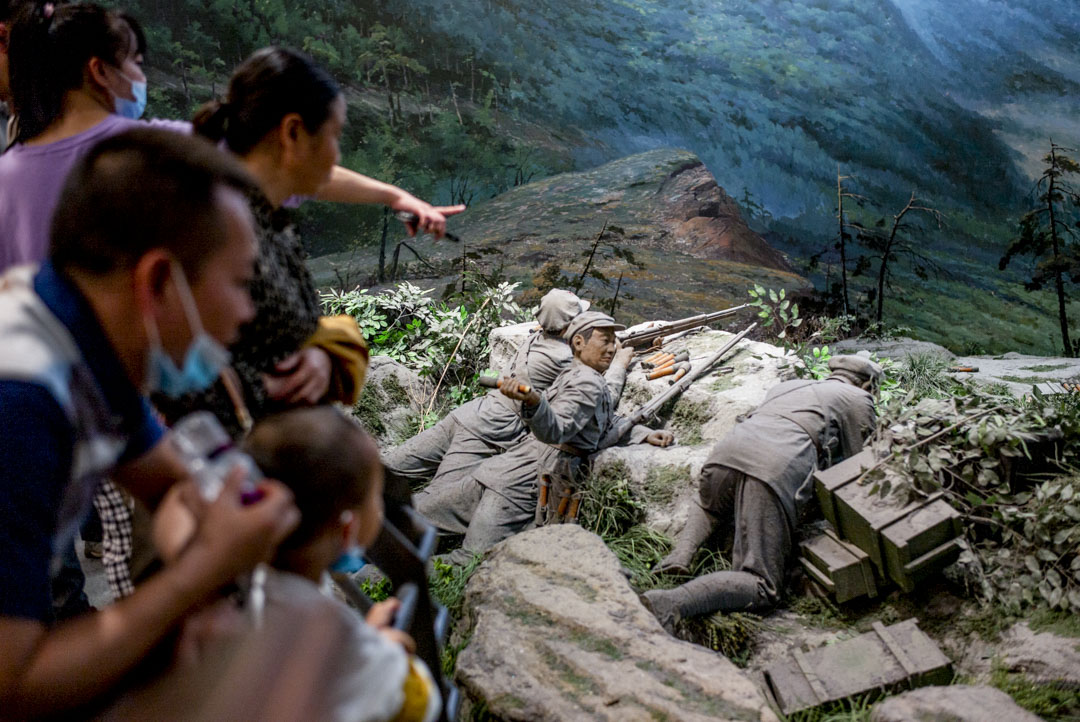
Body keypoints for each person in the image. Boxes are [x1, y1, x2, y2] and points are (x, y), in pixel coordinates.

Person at [0, 128, 299, 717]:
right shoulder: (22, 404)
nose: (246, 312)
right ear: (160, 281)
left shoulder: (85, 346)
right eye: (240, 283)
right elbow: (12, 687)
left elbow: (168, 481)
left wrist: (204, 576)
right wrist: (195, 575)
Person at [155, 46, 464, 438]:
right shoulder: (218, 233)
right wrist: (267, 390)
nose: (337, 155)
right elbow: (179, 370)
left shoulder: (266, 215)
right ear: (293, 133)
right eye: (334, 136)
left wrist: (319, 356)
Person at [642, 355, 881, 627]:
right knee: (763, 586)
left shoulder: (789, 386)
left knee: (710, 504)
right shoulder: (858, 398)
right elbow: (861, 465)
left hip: (727, 452)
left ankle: (680, 556)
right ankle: (671, 602)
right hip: (771, 469)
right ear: (867, 385)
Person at [417, 311, 674, 563]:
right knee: (470, 561)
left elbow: (593, 419)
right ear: (578, 342)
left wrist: (641, 434)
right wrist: (533, 401)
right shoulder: (587, 381)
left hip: (502, 470)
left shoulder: (578, 374)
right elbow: (556, 429)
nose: (612, 348)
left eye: (613, 341)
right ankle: (380, 580)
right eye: (604, 340)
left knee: (415, 518)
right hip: (522, 481)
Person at [383, 288, 589, 493]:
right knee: (436, 498)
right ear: (569, 326)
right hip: (490, 429)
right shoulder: (565, 356)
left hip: (470, 413)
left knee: (384, 469)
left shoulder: (538, 335)